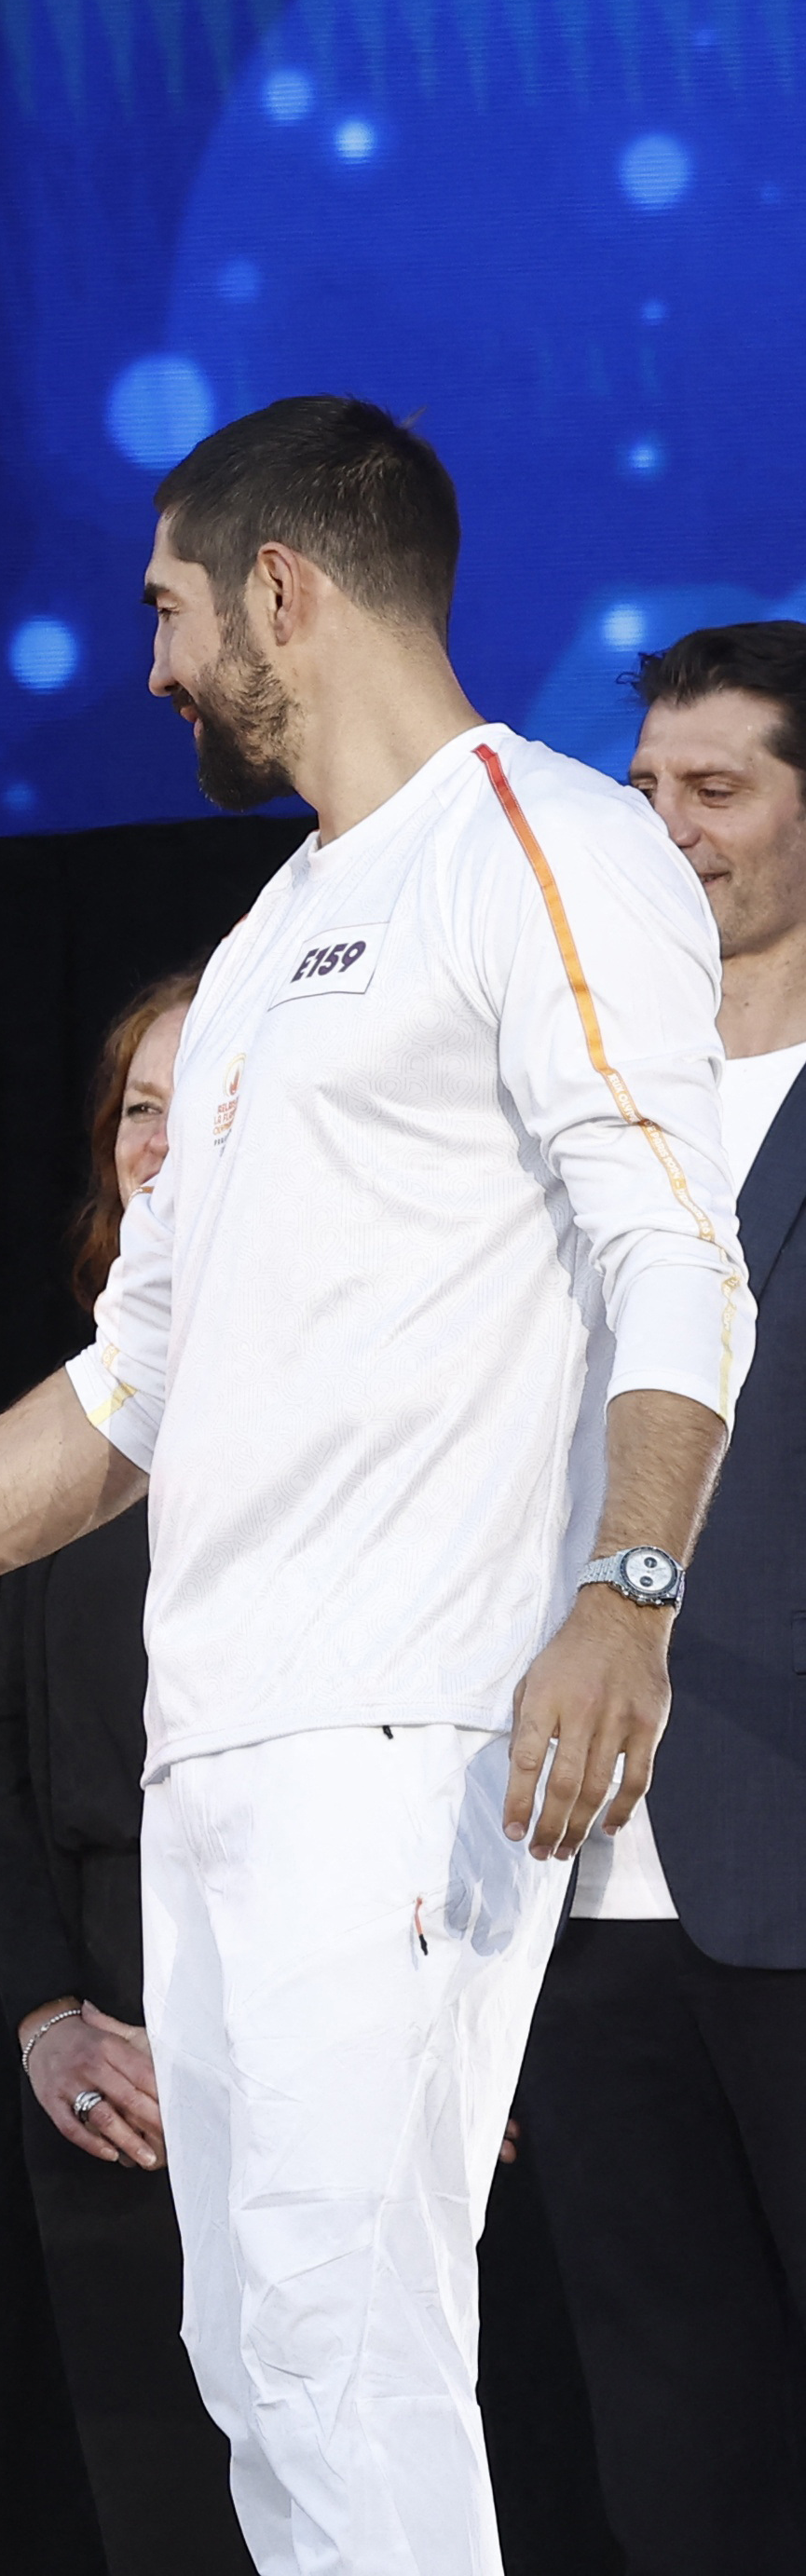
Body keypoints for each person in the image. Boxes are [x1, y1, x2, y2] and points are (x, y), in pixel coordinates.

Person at [0, 397, 744, 2576]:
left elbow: (671, 1247)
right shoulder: (251, 962)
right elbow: (125, 1398)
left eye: (168, 610)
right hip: (221, 1743)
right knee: (259, 2361)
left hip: (405, 1730)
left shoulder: (545, 842)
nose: (150, 668)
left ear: (284, 590)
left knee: (347, 2336)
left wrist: (628, 1583)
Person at [511, 620, 806, 2573]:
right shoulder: (569, 1106)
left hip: (787, 1855)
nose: (669, 830)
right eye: (643, 792)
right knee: (673, 2457)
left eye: (720, 790)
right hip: (582, 1881)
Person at [0, 970, 249, 2576]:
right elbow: (0, 1758)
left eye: (192, 1099)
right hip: (107, 2047)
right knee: (159, 2508)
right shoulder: (77, 1410)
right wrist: (45, 2011)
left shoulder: (378, 1392)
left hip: (315, 1995)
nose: (160, 1140)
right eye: (136, 1108)